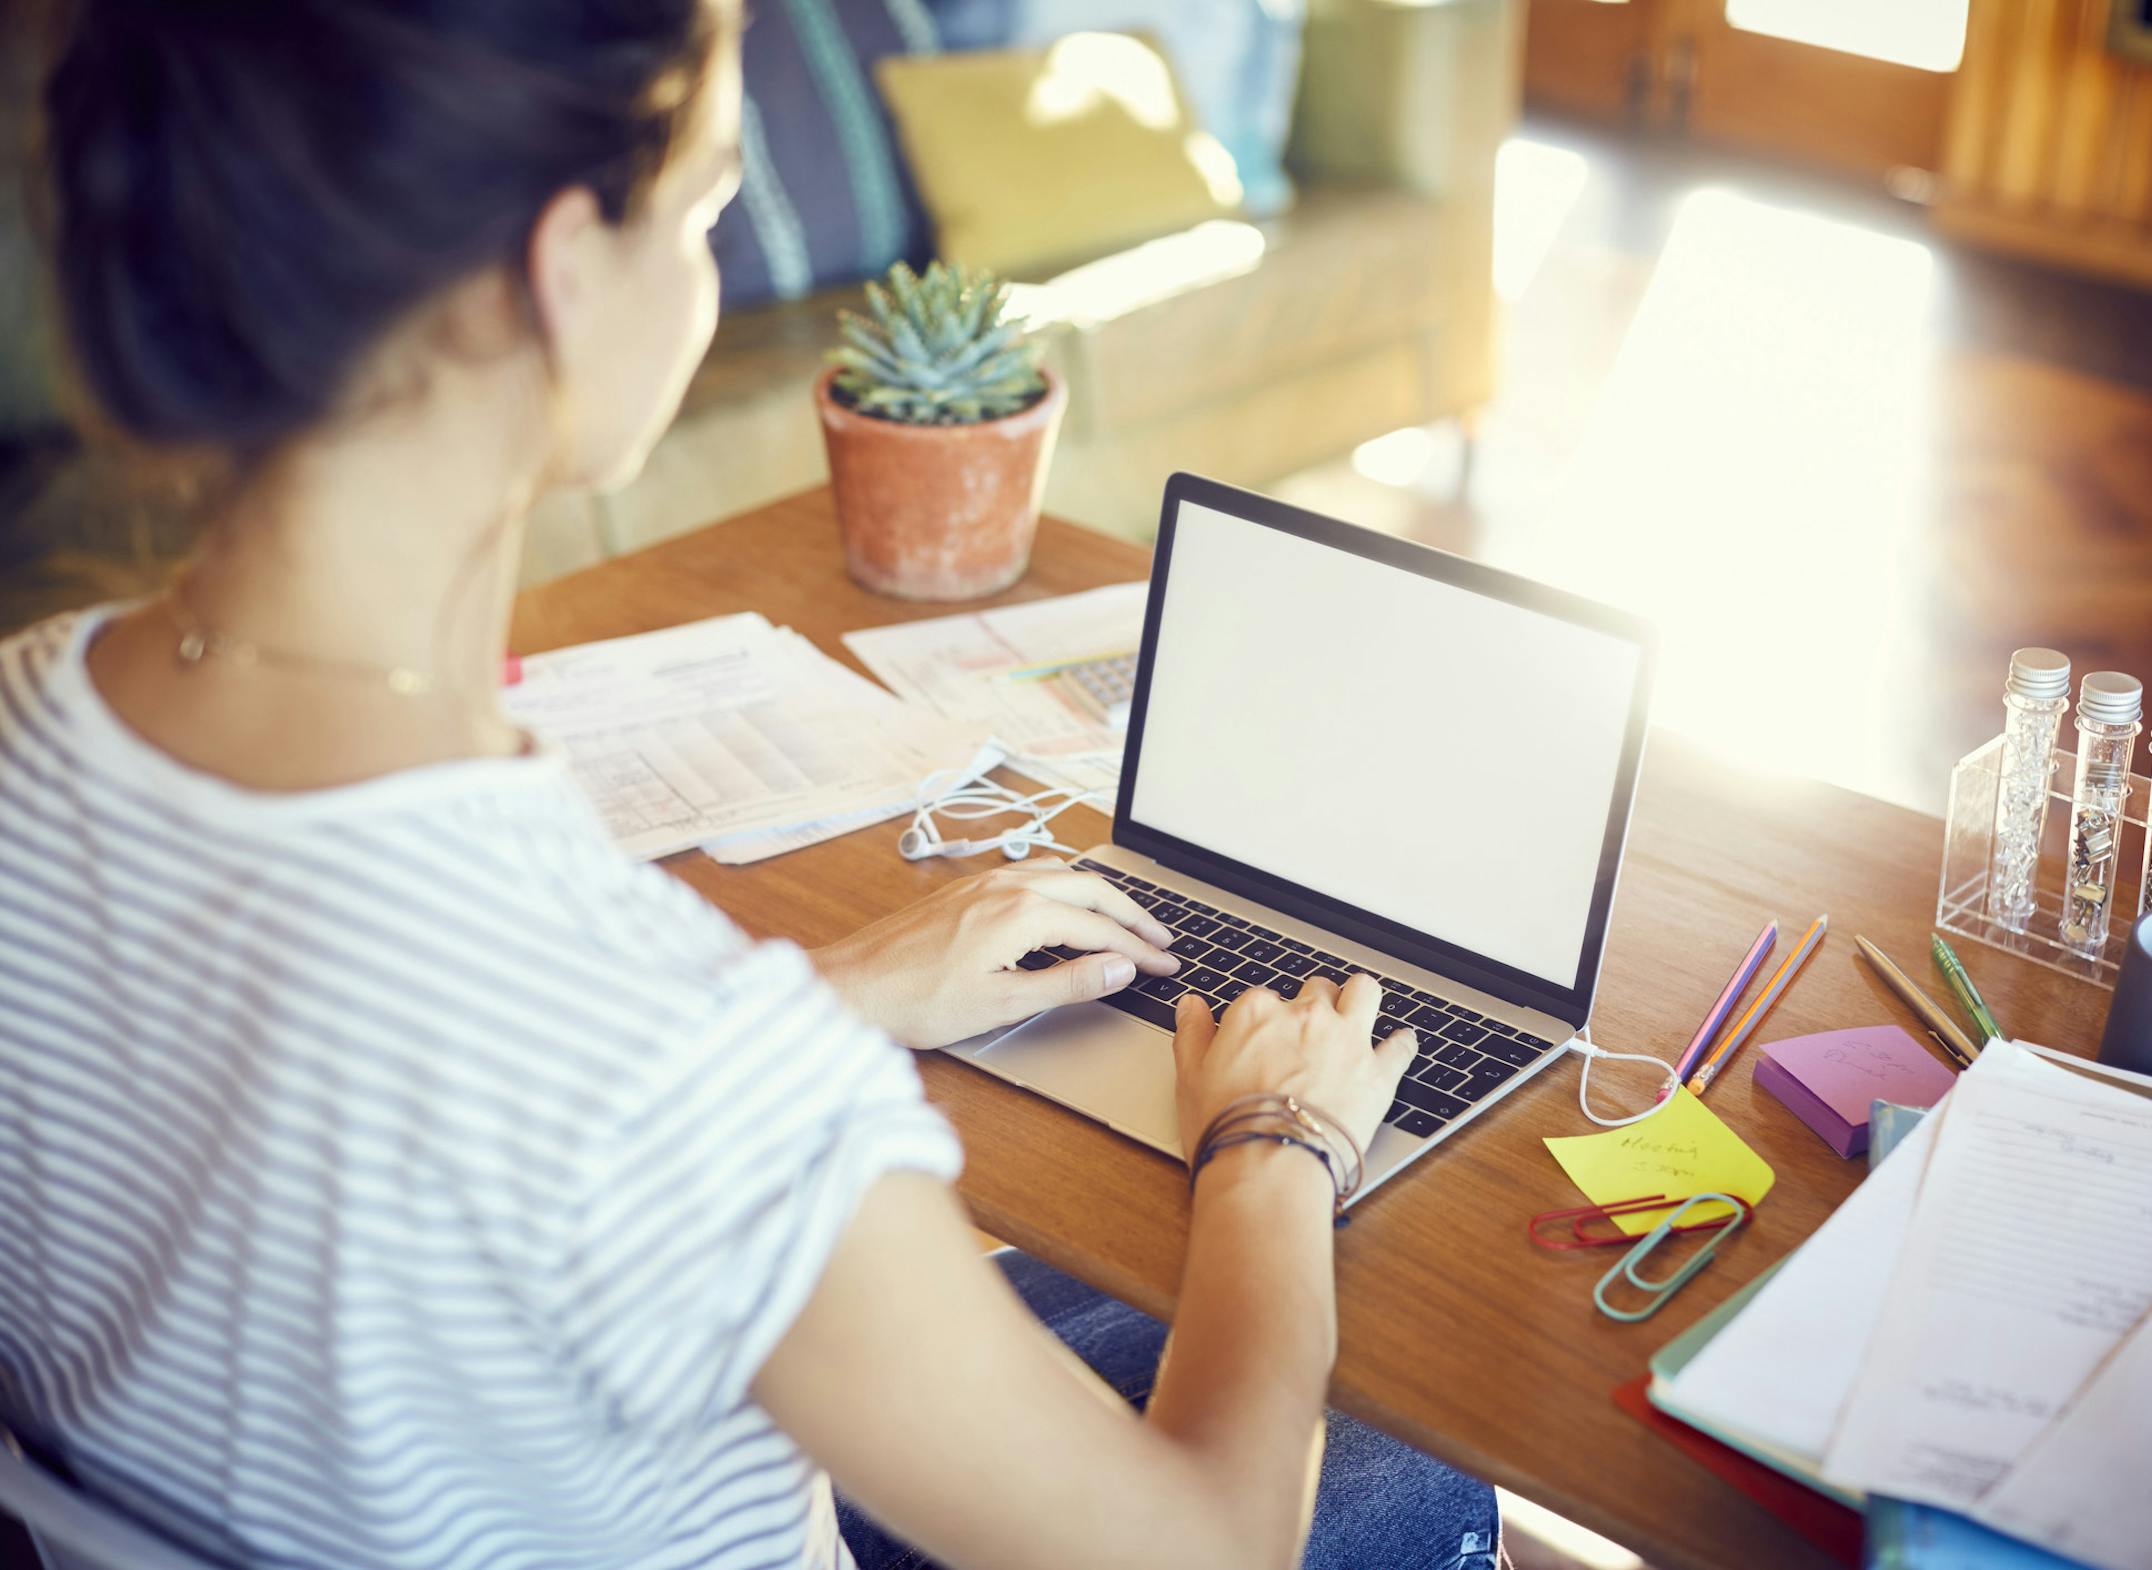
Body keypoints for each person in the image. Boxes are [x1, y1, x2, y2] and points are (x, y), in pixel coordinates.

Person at [0, 2, 1501, 1567]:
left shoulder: (27, 711)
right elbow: (1209, 1551)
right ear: (562, 266)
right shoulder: (664, 1064)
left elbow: (411, 1154)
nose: (711, 269)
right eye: (710, 203)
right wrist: (1276, 1140)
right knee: (1418, 1442)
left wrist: (821, 996)